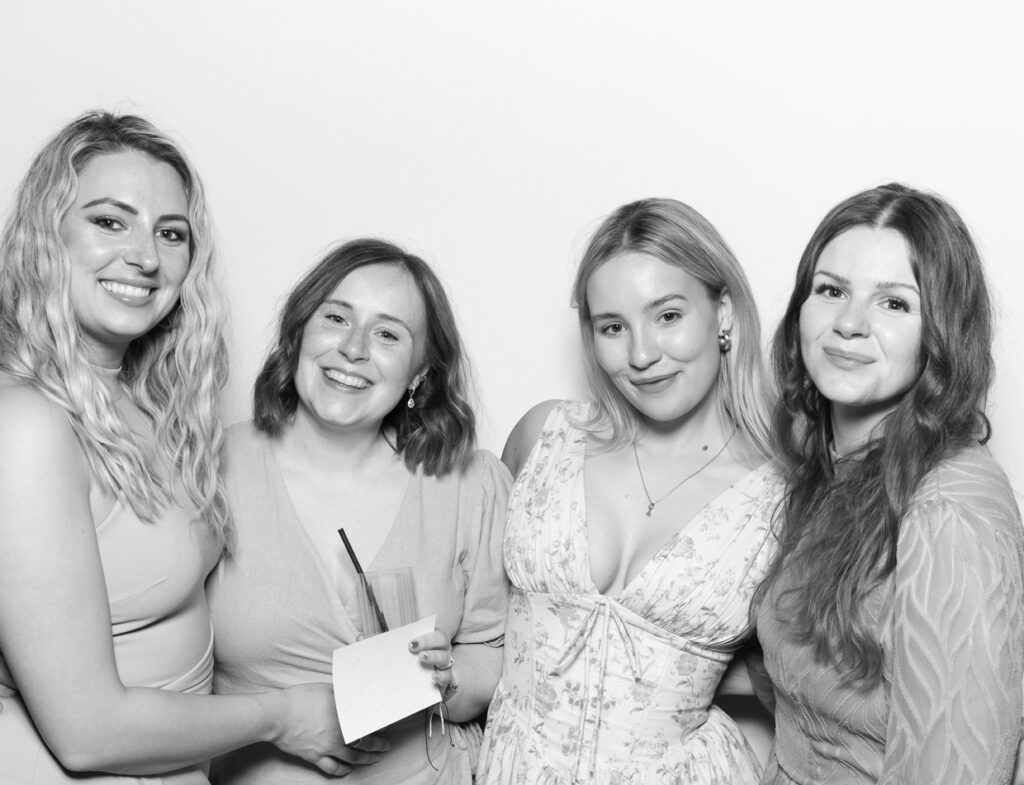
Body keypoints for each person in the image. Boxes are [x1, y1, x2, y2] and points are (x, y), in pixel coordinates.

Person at [0, 112, 385, 783]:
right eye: (109, 221)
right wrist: (283, 714)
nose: (145, 256)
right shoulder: (27, 425)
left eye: (170, 232)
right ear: (46, 234)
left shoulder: (148, 404)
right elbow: (87, 731)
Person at [478, 198, 786, 783]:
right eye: (613, 327)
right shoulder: (544, 436)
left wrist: (690, 668)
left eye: (667, 315)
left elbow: (802, 675)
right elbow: (481, 619)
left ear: (722, 313)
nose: (641, 355)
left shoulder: (783, 494)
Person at [208, 238, 511, 784]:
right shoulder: (209, 468)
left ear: (421, 372)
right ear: (299, 332)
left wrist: (451, 677)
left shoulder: (471, 483)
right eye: (336, 318)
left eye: (388, 334)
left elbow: (494, 652)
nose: (354, 348)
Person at [753, 183, 1024, 785]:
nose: (849, 323)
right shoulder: (834, 469)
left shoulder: (950, 511)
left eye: (894, 304)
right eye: (831, 291)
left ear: (941, 333)